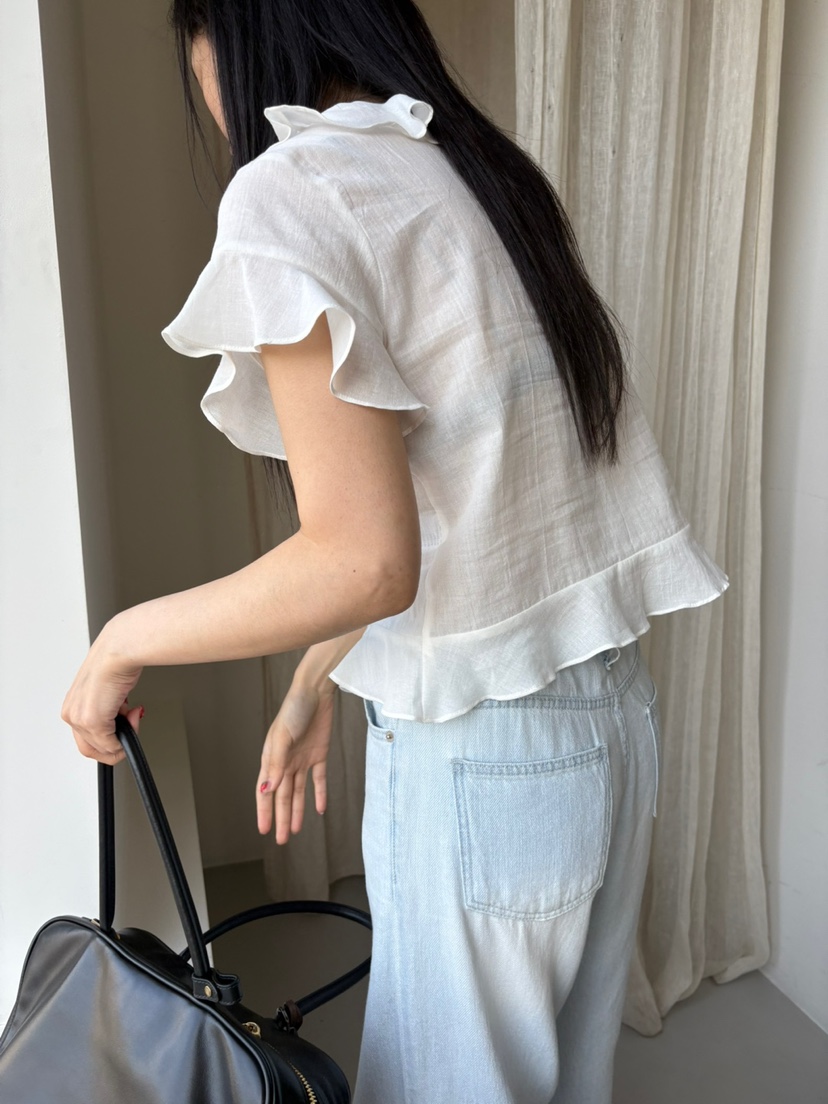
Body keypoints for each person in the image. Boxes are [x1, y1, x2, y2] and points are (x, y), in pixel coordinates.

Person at [60, 1, 730, 1101]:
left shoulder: (294, 191)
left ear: (241, 41)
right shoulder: (469, 169)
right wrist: (313, 683)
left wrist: (119, 643)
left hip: (488, 760)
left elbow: (365, 559)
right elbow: (469, 510)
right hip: (612, 726)